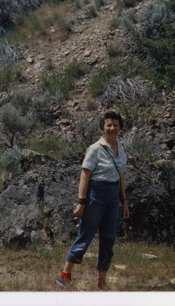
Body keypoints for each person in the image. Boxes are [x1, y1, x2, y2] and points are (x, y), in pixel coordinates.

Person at [57, 110, 130, 289]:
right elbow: (84, 176)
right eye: (108, 125)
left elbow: (120, 177)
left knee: (109, 238)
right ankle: (65, 274)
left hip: (113, 197)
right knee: (86, 235)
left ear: (120, 128)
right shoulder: (95, 148)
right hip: (95, 195)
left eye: (115, 125)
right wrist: (82, 203)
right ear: (102, 127)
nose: (112, 128)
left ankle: (101, 281)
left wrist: (124, 201)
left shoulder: (120, 149)